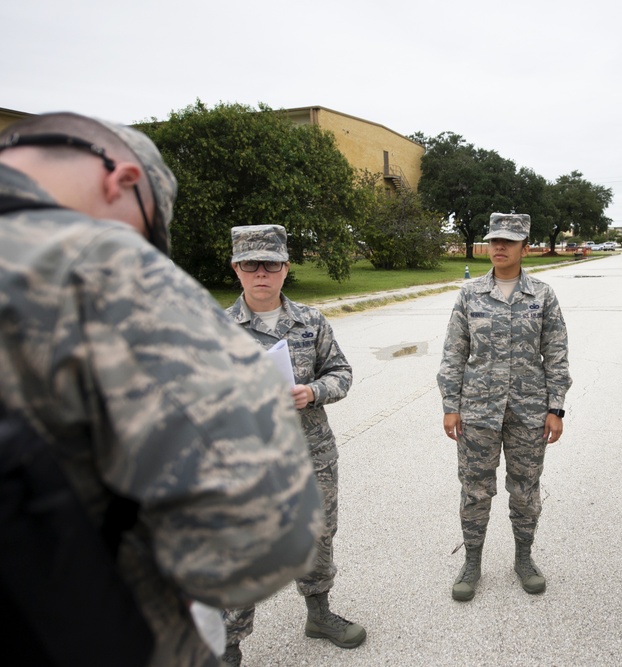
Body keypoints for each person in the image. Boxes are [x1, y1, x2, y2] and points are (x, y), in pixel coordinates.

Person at [0, 112, 322, 666]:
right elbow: (267, 538)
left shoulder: (312, 320)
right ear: (122, 182)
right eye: (147, 236)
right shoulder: (97, 265)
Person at [222, 225, 365, 665]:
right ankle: (228, 646)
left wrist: (313, 392)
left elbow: (341, 372)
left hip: (311, 453)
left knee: (319, 536)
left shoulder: (311, 321)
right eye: (251, 264)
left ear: (285, 269)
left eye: (271, 263)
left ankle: (318, 614)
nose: (261, 272)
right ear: (236, 269)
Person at [437, 213, 572, 602]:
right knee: (475, 490)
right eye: (494, 240)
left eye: (508, 242)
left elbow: (557, 354)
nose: (499, 247)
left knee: (526, 489)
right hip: (477, 410)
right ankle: (473, 561)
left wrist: (556, 407)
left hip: (529, 412)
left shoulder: (542, 296)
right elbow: (454, 353)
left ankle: (524, 558)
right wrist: (450, 404)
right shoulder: (470, 294)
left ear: (524, 248)